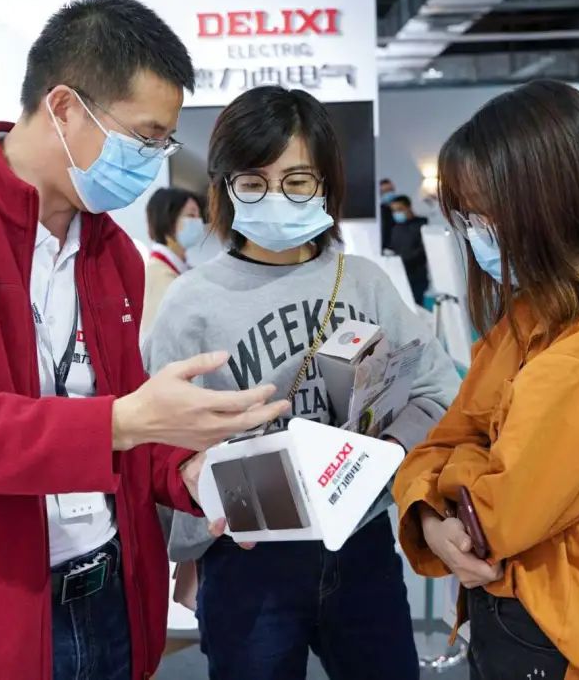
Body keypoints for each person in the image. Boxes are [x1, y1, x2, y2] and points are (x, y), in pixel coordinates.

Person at [0, 0, 287, 680]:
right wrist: (125, 421)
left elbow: (122, 429)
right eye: (144, 137)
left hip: (110, 598)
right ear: (66, 107)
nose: (153, 161)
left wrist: (186, 471)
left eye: (164, 143)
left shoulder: (112, 254)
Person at [144, 86, 462, 680]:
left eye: (296, 181)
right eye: (253, 182)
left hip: (361, 544)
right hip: (248, 558)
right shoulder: (190, 304)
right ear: (224, 187)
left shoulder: (364, 282)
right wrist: (189, 547)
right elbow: (164, 445)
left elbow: (436, 390)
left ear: (326, 184)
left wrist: (382, 452)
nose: (276, 198)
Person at [393, 80, 579, 680]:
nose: (475, 234)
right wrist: (434, 511)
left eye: (485, 214)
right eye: (466, 218)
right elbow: (446, 439)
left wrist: (449, 481)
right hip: (530, 617)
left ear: (555, 203)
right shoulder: (536, 312)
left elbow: (495, 516)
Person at [141, 187, 206, 335]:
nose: (199, 222)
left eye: (199, 216)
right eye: (191, 215)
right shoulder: (158, 275)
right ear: (167, 220)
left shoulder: (182, 270)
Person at [387, 194, 430, 306]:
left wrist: (403, 260)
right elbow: (393, 248)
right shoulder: (396, 228)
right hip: (399, 277)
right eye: (394, 210)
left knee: (416, 308)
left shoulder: (422, 224)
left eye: (399, 209)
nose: (397, 213)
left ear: (408, 207)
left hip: (417, 278)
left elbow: (423, 251)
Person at [379, 177, 397, 250]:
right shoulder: (380, 212)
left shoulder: (401, 210)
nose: (389, 193)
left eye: (391, 190)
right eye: (386, 191)